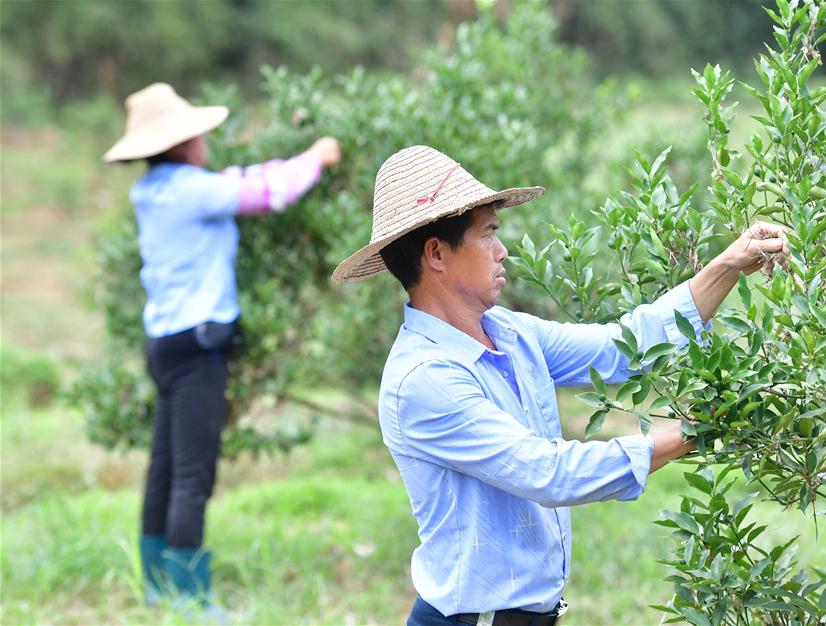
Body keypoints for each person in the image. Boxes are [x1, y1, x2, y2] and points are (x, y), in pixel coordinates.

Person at [332, 145, 789, 625]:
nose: (502, 251)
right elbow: (547, 472)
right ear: (436, 254)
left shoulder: (510, 333)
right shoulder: (424, 379)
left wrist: (727, 266)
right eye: (488, 235)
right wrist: (695, 430)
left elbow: (622, 349)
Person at [104, 82, 341, 610]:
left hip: (165, 345)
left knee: (165, 468)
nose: (206, 141)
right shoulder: (192, 191)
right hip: (198, 349)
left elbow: (236, 182)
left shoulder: (154, 191)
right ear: (183, 143)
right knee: (193, 476)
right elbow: (269, 193)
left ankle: (156, 586)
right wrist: (316, 157)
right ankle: (190, 600)